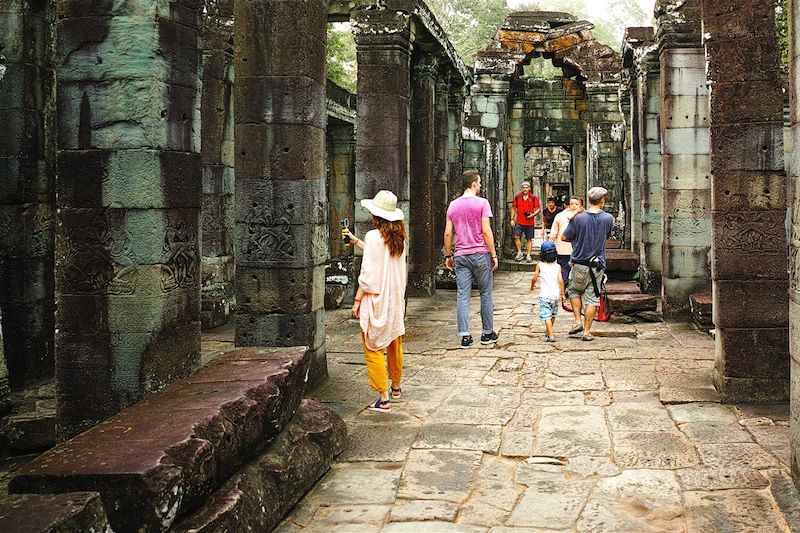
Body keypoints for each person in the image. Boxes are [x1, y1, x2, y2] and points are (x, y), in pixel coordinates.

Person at [345, 190, 407, 412]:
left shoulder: (374, 236)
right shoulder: (399, 239)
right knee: (393, 342)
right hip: (395, 299)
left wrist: (357, 300)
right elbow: (382, 254)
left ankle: (383, 397)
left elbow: (369, 275)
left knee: (372, 346)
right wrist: (357, 242)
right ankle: (396, 387)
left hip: (377, 299)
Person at [443, 169, 499, 349]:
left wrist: (448, 254)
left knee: (463, 295)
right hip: (480, 253)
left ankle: (465, 336)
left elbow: (447, 233)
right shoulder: (482, 203)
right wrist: (493, 254)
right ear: (474, 184)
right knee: (485, 293)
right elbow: (486, 231)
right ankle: (487, 333)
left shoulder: (453, 205)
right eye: (480, 183)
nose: (481, 186)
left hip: (460, 254)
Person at [561, 187, 614, 341]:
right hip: (597, 265)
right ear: (602, 201)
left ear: (589, 201)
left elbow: (564, 237)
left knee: (574, 291)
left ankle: (577, 321)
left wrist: (578, 240)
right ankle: (587, 332)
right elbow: (607, 235)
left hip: (579, 262)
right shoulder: (608, 218)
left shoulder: (578, 218)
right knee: (592, 298)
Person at [549, 195, 584, 311]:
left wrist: (550, 245)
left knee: (564, 270)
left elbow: (553, 233)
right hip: (578, 250)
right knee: (577, 271)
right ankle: (574, 292)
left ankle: (563, 292)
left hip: (562, 249)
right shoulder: (584, 216)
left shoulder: (560, 216)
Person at [529, 241, 566, 342]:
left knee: (546, 316)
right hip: (555, 296)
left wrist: (532, 287)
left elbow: (534, 278)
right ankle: (548, 331)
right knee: (553, 315)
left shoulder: (540, 265)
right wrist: (563, 294)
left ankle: (551, 335)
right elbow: (561, 281)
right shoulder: (557, 266)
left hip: (545, 296)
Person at [510, 181, 540, 263]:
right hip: (519, 221)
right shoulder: (517, 197)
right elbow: (513, 208)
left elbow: (538, 209)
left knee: (529, 239)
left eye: (526, 187)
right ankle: (520, 253)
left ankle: (528, 255)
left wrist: (533, 215)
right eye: (523, 187)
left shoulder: (533, 198)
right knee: (516, 236)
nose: (525, 189)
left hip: (529, 222)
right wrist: (512, 219)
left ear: (529, 188)